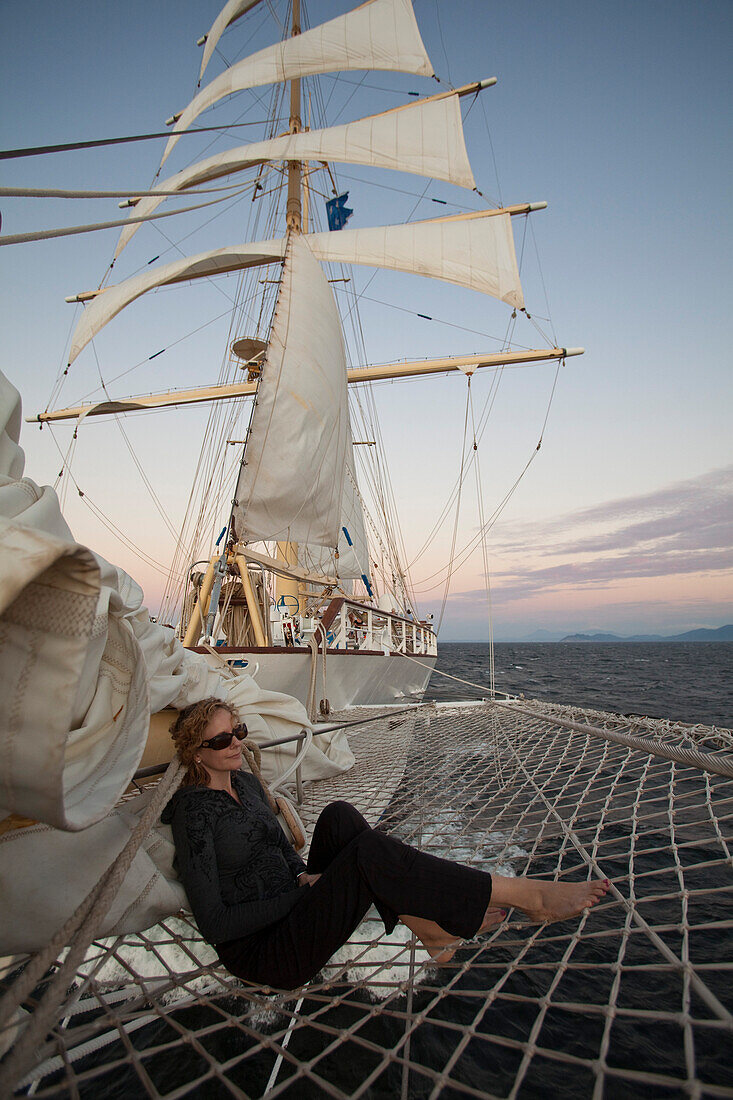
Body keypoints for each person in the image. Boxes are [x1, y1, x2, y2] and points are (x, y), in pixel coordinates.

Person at [162, 698, 610, 991]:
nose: (236, 742)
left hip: (296, 902)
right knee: (370, 853)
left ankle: (430, 930)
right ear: (195, 752)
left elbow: (278, 843)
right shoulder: (193, 813)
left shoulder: (245, 782)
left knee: (339, 816)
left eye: (238, 731)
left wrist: (301, 874)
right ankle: (526, 896)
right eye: (221, 739)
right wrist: (304, 893)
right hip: (268, 951)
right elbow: (217, 925)